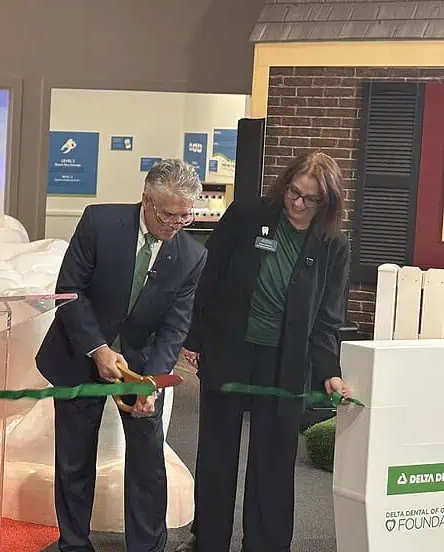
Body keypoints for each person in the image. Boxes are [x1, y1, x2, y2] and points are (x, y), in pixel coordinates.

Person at [174, 151, 355, 552]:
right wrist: (194, 337)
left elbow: (327, 317)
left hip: (285, 364)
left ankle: (266, 543)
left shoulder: (333, 244)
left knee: (274, 460)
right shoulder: (246, 215)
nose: (297, 203)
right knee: (217, 454)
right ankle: (208, 540)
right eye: (293, 191)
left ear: (326, 202)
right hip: (230, 351)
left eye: (309, 199)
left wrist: (329, 369)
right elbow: (208, 276)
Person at [36, 159, 207, 552]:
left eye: (185, 216)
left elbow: (174, 327)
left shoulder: (192, 255)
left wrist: (152, 382)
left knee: (148, 460)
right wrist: (98, 349)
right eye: (168, 215)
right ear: (147, 200)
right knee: (75, 459)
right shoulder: (100, 222)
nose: (176, 224)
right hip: (80, 353)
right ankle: (74, 544)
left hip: (141, 364)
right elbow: (70, 291)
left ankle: (147, 547)